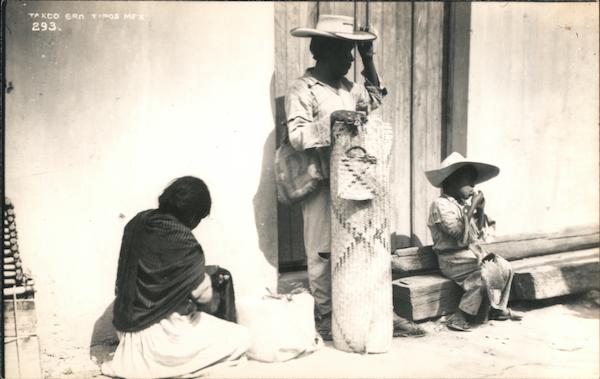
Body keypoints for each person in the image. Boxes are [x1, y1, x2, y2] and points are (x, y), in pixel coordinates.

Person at [286, 14, 425, 340]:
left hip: (355, 181)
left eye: (352, 52)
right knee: (322, 252)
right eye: (345, 52)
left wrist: (369, 58)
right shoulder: (303, 89)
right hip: (320, 182)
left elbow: (375, 98)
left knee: (366, 248)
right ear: (321, 51)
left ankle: (381, 314)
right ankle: (328, 317)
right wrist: (333, 122)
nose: (349, 59)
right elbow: (296, 136)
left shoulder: (350, 88)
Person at [101, 176, 249, 378]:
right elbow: (203, 297)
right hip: (159, 340)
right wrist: (204, 278)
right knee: (242, 337)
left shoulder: (138, 220)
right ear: (194, 215)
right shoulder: (183, 239)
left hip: (125, 331)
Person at [425, 152, 524, 332]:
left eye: (474, 184)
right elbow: (457, 233)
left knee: (504, 266)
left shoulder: (462, 206)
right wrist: (471, 208)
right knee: (484, 274)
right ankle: (459, 316)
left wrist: (480, 210)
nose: (473, 188)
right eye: (469, 183)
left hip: (469, 254)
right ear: (452, 181)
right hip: (451, 259)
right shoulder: (440, 205)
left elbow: (478, 235)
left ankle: (498, 309)